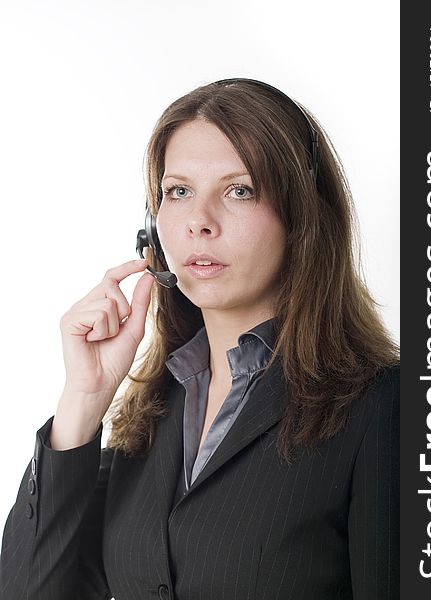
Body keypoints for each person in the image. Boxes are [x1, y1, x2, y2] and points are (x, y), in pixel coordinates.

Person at [0, 78, 399, 600]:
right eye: (178, 192)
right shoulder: (153, 413)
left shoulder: (384, 406)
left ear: (301, 219)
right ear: (151, 225)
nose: (199, 223)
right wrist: (83, 401)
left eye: (239, 190)